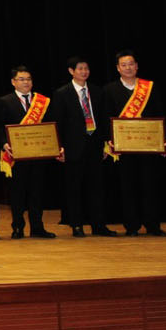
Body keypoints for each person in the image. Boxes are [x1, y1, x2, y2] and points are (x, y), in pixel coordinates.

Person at [104, 51, 166, 236]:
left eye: (131, 64)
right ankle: (131, 226)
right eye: (124, 65)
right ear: (118, 68)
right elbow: (106, 117)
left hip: (148, 145)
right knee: (128, 187)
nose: (128, 68)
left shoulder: (149, 87)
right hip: (124, 147)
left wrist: (164, 138)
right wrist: (110, 140)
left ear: (137, 66)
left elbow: (159, 113)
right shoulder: (109, 89)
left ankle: (153, 225)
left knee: (150, 186)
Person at [52, 56, 116, 237]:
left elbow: (104, 119)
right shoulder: (61, 93)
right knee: (74, 188)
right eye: (80, 68)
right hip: (73, 148)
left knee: (97, 188)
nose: (84, 72)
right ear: (71, 71)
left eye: (86, 68)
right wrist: (59, 146)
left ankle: (99, 226)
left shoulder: (97, 91)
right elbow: (58, 123)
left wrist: (106, 142)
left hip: (95, 145)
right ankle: (77, 225)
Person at [0, 66, 61, 239]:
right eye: (21, 79)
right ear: (13, 82)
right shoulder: (5, 101)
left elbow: (51, 125)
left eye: (28, 79)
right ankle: (18, 227)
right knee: (17, 193)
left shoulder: (42, 102)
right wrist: (3, 143)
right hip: (16, 155)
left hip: (38, 154)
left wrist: (56, 144)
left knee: (37, 192)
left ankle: (37, 227)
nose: (26, 82)